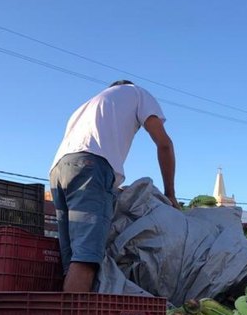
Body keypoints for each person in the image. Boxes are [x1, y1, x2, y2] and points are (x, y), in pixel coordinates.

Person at [49, 80, 178, 292]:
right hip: (91, 166)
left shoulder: (87, 107)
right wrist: (170, 194)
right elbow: (164, 144)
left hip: (58, 170)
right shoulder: (137, 93)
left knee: (72, 258)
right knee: (86, 258)